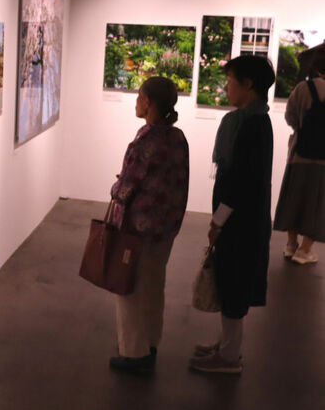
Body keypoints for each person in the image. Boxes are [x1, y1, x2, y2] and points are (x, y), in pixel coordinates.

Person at [190, 55, 275, 374]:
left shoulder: (252, 125)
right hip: (242, 220)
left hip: (242, 223)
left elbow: (242, 182)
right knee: (230, 281)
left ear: (248, 84)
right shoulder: (249, 120)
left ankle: (228, 357)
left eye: (230, 81)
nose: (226, 87)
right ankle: (226, 345)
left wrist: (218, 220)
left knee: (235, 284)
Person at [108, 76, 190, 374]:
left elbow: (127, 187)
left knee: (128, 288)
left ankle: (134, 354)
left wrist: (116, 190)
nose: (136, 100)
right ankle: (150, 344)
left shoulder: (146, 139)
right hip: (165, 228)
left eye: (139, 95)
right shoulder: (177, 137)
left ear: (149, 102)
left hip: (138, 229)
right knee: (154, 285)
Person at [273, 48, 325, 264]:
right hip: (323, 161)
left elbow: (290, 117)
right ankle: (305, 250)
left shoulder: (303, 88)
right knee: (318, 203)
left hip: (299, 155)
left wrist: (301, 129)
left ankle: (290, 244)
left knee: (294, 198)